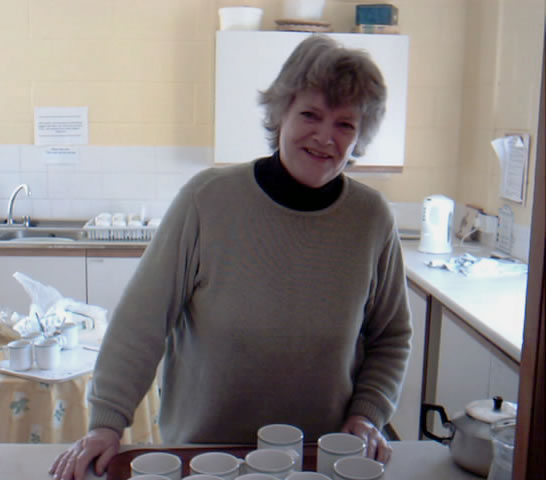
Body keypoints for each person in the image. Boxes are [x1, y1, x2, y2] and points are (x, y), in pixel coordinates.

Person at [50, 34, 411, 480]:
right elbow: (141, 323)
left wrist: (369, 413)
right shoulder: (207, 200)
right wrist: (107, 423)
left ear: (359, 137)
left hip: (318, 460)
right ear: (281, 114)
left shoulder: (371, 219)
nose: (325, 137)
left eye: (345, 125)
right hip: (203, 456)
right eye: (310, 115)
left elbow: (391, 337)